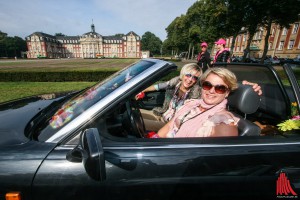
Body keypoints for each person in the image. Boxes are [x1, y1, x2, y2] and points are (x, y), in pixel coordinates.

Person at [156, 67, 240, 138]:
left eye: (220, 88)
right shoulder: (192, 104)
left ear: (227, 93)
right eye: (207, 85)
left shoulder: (224, 123)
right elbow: (169, 126)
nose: (211, 91)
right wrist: (155, 140)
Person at [137, 63, 203, 131]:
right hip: (161, 114)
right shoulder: (175, 83)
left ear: (196, 81)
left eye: (194, 78)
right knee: (134, 112)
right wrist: (140, 91)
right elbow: (158, 87)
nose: (190, 80)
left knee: (136, 122)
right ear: (183, 74)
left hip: (170, 126)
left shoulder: (196, 95)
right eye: (188, 75)